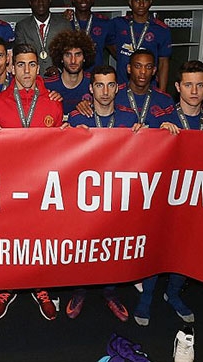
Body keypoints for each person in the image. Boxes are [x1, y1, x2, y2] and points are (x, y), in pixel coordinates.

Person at [133, 61, 203, 327]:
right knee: (155, 249)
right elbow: (142, 155)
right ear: (178, 87)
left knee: (186, 251)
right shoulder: (160, 117)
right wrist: (156, 135)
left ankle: (173, 294)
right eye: (188, 84)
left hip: (197, 197)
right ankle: (146, 297)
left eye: (199, 84)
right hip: (164, 197)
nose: (194, 90)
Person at [0, 43, 63, 321]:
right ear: (11, 67)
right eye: (20, 65)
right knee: (8, 239)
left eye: (31, 65)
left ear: (37, 68)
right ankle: (8, 286)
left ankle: (40, 287)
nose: (26, 70)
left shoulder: (54, 102)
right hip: (7, 185)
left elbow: (64, 147)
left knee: (39, 239)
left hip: (42, 185)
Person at [63, 66, 136, 322]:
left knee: (114, 247)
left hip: (116, 197)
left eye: (110, 85)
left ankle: (110, 291)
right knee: (83, 246)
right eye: (99, 85)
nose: (105, 91)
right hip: (84, 197)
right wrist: (68, 135)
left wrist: (159, 133)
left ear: (117, 88)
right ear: (91, 89)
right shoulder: (75, 120)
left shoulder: (130, 121)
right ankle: (80, 290)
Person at [110, 0, 171, 91]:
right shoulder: (118, 24)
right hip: (121, 87)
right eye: (137, 0)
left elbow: (163, 63)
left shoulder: (161, 29)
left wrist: (162, 92)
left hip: (149, 88)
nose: (141, 4)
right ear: (130, 2)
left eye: (145, 0)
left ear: (150, 1)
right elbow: (104, 38)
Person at [14, 0, 71, 77]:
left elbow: (70, 53)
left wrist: (59, 68)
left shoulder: (64, 25)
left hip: (59, 78)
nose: (40, 3)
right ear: (30, 2)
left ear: (50, 0)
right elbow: (20, 56)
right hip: (32, 79)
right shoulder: (22, 26)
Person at [114, 49, 174, 125]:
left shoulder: (165, 100)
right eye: (138, 66)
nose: (143, 71)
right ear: (129, 68)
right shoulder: (114, 95)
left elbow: (174, 132)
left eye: (148, 67)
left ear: (154, 70)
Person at [45, 30, 94, 114]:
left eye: (78, 54)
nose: (73, 61)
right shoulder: (47, 85)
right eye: (68, 55)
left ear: (85, 57)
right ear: (61, 58)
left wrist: (94, 106)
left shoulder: (95, 83)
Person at [69, 0, 113, 69]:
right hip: (71, 78)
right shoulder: (65, 23)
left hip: (95, 77)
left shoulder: (104, 24)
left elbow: (117, 53)